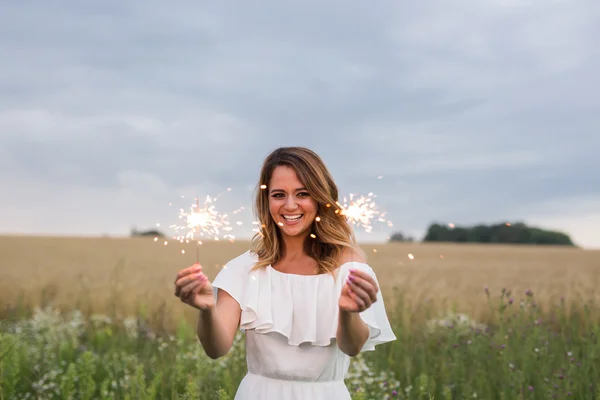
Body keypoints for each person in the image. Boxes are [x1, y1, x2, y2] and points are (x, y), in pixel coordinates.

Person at [173, 147, 396, 399]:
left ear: (321, 198)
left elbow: (352, 346)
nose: (290, 206)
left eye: (302, 193)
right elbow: (216, 348)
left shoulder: (349, 266)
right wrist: (207, 310)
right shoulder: (244, 269)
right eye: (279, 195)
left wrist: (348, 313)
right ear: (266, 201)